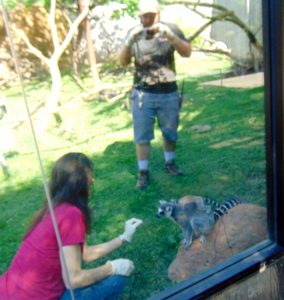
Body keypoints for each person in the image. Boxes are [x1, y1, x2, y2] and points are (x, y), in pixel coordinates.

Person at [0, 152, 143, 300]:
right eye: (89, 178)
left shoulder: (54, 207)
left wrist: (123, 237)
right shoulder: (71, 214)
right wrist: (111, 268)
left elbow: (86, 254)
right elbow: (73, 279)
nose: (92, 180)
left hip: (7, 292)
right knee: (116, 280)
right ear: (78, 184)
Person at [118, 0, 192, 190]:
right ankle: (143, 173)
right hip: (143, 93)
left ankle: (170, 163)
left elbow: (187, 53)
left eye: (152, 14)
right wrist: (128, 43)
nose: (148, 19)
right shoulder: (134, 33)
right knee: (142, 136)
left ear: (158, 14)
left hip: (168, 92)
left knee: (170, 132)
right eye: (145, 15)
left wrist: (171, 37)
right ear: (140, 16)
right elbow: (122, 62)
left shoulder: (171, 29)